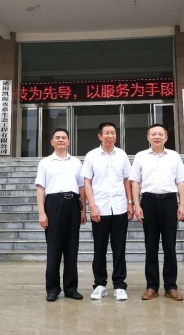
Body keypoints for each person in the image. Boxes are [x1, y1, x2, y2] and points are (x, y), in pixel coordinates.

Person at [129, 123, 184, 301]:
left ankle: (171, 287)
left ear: (166, 137)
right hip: (148, 202)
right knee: (151, 246)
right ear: (148, 137)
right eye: (153, 134)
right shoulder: (140, 156)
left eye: (160, 134)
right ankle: (152, 286)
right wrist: (137, 205)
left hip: (169, 201)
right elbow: (135, 182)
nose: (157, 137)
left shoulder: (174, 156)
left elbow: (181, 181)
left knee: (170, 246)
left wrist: (182, 205)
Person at [82, 122, 133, 301]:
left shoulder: (122, 155)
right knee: (99, 249)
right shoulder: (91, 156)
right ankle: (100, 284)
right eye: (107, 133)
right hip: (100, 209)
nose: (110, 136)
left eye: (113, 133)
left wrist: (130, 203)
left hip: (119, 208)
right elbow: (87, 182)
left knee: (119, 248)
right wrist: (92, 206)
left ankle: (119, 285)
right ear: (100, 136)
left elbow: (127, 180)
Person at [35, 128, 87, 302]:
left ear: (68, 141)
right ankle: (52, 289)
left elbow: (81, 187)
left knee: (72, 248)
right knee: (54, 249)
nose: (61, 140)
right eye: (57, 137)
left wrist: (83, 209)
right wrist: (42, 212)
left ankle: (71, 288)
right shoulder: (45, 163)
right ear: (52, 141)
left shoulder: (76, 163)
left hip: (73, 204)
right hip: (53, 204)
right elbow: (40, 188)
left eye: (64, 137)